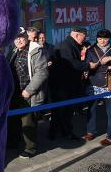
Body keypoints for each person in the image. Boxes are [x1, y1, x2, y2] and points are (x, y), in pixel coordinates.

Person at [48, 27, 97, 140]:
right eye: (84, 37)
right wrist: (88, 65)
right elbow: (72, 63)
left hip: (66, 84)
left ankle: (61, 132)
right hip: (63, 85)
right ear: (77, 35)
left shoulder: (71, 44)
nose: (85, 39)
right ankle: (60, 133)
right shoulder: (66, 46)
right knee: (62, 111)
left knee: (64, 110)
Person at [7, 28, 48, 158]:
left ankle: (31, 148)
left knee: (27, 122)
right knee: (13, 120)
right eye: (16, 38)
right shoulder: (13, 51)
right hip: (14, 92)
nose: (18, 40)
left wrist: (28, 91)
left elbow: (42, 73)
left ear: (26, 37)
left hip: (27, 93)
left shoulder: (35, 51)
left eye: (21, 37)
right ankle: (14, 141)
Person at [82, 29, 111, 146]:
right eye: (100, 39)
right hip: (94, 83)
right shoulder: (91, 50)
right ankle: (90, 131)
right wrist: (91, 66)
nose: (102, 41)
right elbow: (87, 65)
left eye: (105, 39)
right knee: (91, 109)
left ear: (110, 39)